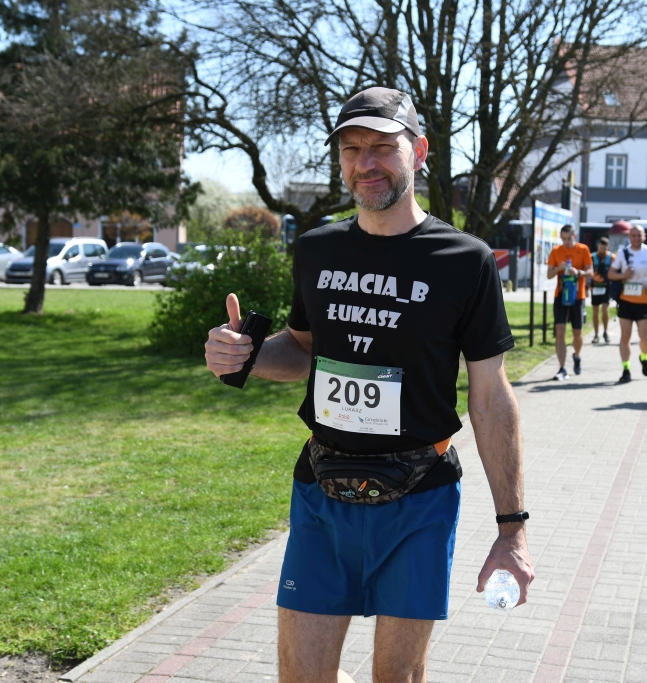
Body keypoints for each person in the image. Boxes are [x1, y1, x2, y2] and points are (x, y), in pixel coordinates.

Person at [204, 87, 534, 683]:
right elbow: (302, 348)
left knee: (396, 677)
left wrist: (512, 529)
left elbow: (490, 397)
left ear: (420, 152)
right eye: (352, 149)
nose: (366, 163)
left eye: (383, 147)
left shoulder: (465, 260)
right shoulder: (317, 249)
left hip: (420, 498)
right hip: (322, 491)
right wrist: (245, 354)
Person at [608, 224, 647, 383]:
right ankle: (626, 369)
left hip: (644, 301)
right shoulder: (622, 253)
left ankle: (644, 357)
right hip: (626, 301)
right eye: (633, 235)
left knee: (644, 337)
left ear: (644, 236)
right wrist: (624, 275)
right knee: (625, 336)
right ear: (629, 237)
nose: (636, 238)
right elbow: (611, 274)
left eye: (639, 235)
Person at [547, 225, 593, 380]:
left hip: (577, 297)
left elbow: (590, 272)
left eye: (569, 238)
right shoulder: (556, 251)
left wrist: (578, 272)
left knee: (577, 334)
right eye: (564, 238)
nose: (566, 242)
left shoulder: (583, 249)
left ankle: (577, 356)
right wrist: (558, 268)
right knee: (560, 332)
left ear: (575, 236)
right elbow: (549, 274)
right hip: (561, 296)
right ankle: (562, 368)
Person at [589, 237, 613, 344]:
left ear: (607, 247)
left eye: (604, 248)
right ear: (598, 246)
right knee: (595, 311)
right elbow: (587, 270)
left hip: (606, 287)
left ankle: (605, 331)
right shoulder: (592, 257)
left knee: (605, 308)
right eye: (600, 248)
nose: (602, 250)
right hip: (595, 286)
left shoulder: (612, 257)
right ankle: (596, 334)